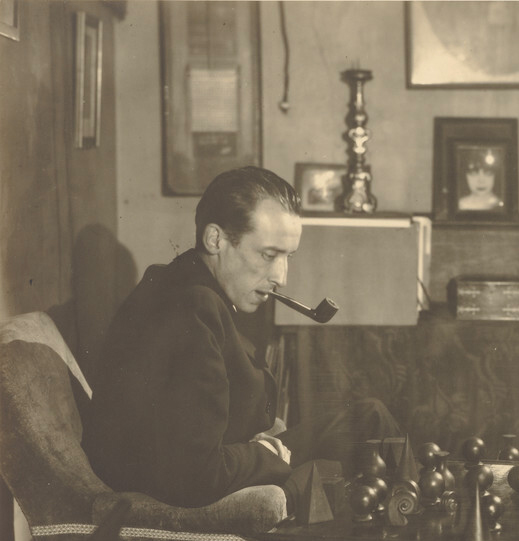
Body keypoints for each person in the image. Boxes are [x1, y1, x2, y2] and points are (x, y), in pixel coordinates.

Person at [83, 166, 400, 509]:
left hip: (225, 455)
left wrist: (255, 441)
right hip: (186, 489)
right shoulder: (192, 307)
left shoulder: (187, 283)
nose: (281, 277)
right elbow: (196, 474)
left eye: (287, 257)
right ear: (215, 239)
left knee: (370, 417)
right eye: (268, 255)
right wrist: (261, 453)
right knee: (373, 438)